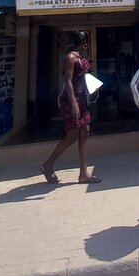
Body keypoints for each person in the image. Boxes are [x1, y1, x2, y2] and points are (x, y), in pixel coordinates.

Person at [40, 30, 100, 184]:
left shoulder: (80, 58)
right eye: (86, 42)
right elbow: (68, 81)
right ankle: (48, 164)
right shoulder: (71, 58)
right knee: (72, 135)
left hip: (82, 99)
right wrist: (74, 104)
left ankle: (83, 173)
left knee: (85, 132)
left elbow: (81, 78)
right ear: (84, 43)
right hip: (73, 100)